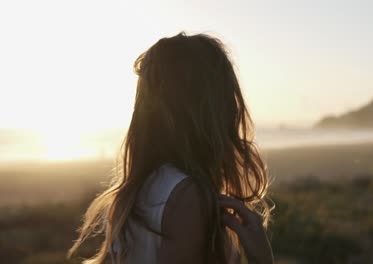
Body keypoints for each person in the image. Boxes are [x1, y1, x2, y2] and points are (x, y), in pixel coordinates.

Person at [68, 32, 274, 264]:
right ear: (212, 107)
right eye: (228, 95)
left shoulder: (136, 192)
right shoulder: (187, 197)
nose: (234, 109)